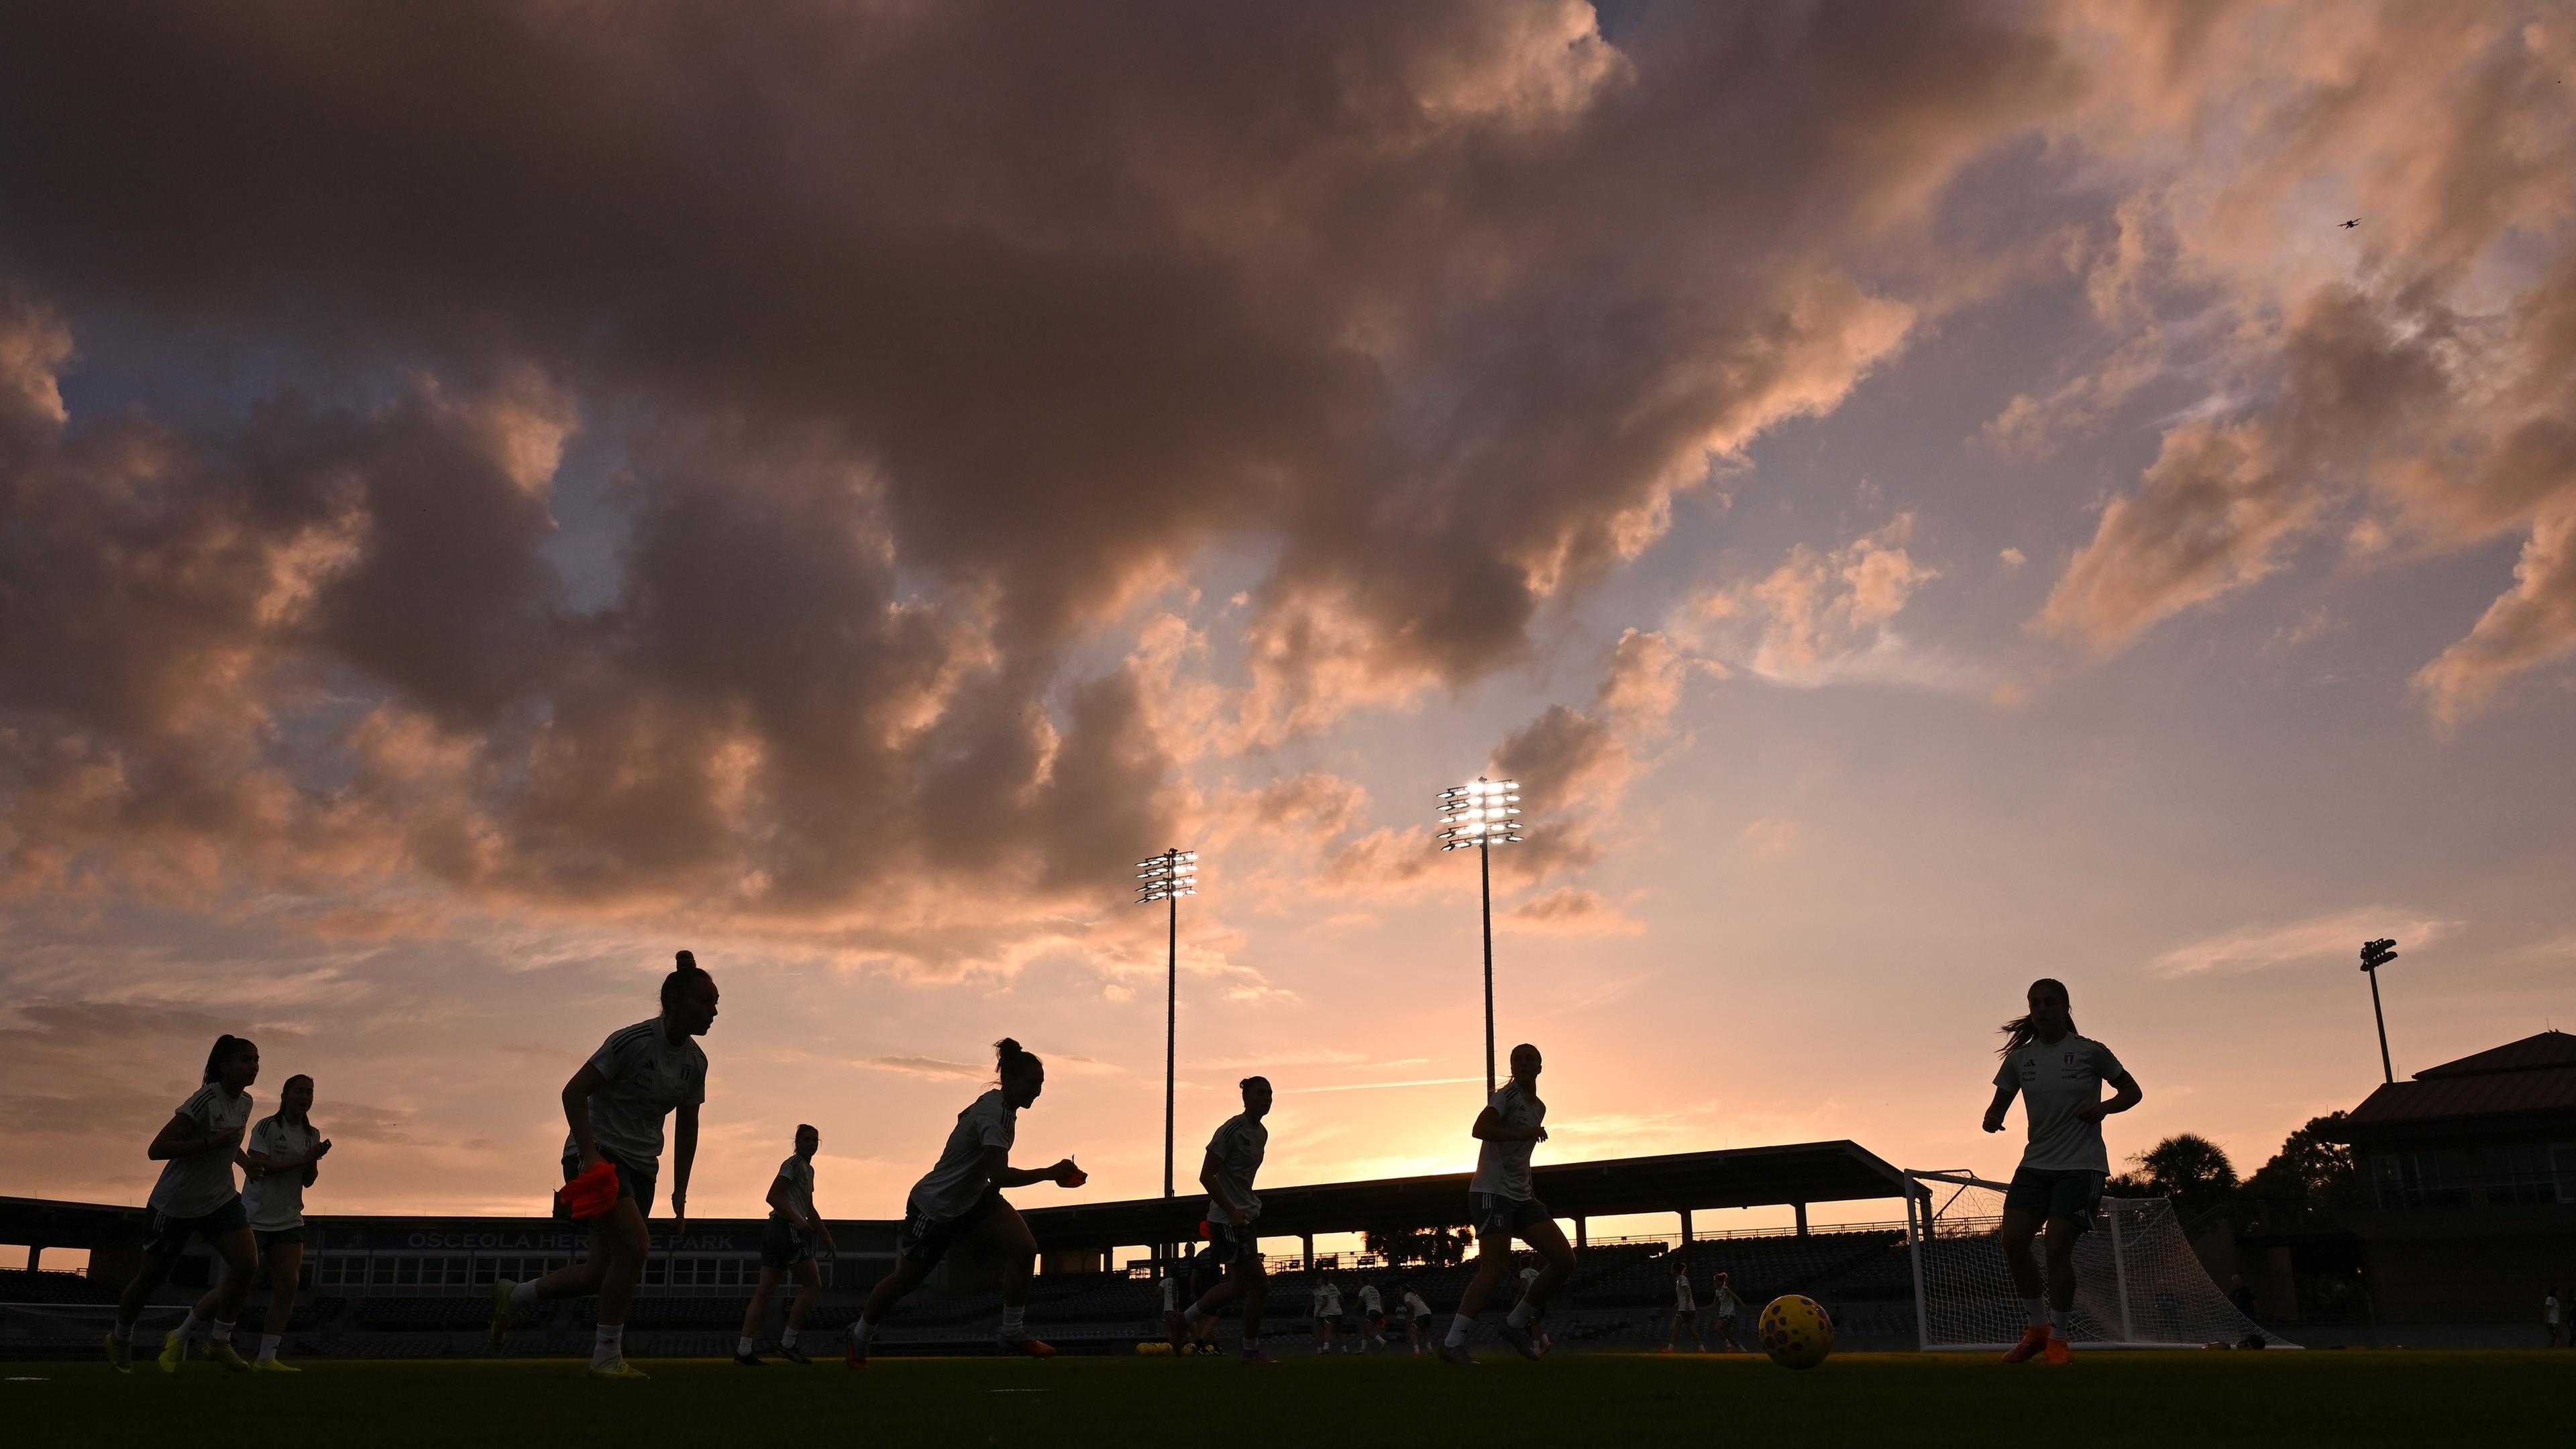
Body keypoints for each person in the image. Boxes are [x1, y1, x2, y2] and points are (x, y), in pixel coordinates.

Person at [488, 950, 718, 1380]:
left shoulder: (696, 1064)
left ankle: (514, 1297)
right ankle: (606, 1355)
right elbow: (573, 1093)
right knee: (636, 1247)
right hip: (598, 1156)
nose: (714, 1011)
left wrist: (680, 1193)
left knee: (600, 1272)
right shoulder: (631, 1042)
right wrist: (591, 1157)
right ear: (674, 1001)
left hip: (642, 1166)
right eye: (705, 1001)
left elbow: (688, 1129)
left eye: (716, 1002)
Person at [845, 1038, 1084, 1368]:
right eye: (1033, 1083)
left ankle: (1012, 1331)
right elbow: (999, 1176)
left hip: (972, 1197)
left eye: (1041, 1084)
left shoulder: (997, 1104)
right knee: (906, 1281)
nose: (1038, 1091)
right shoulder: (996, 1114)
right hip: (936, 1207)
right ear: (1011, 1080)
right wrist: (1049, 1173)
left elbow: (964, 1119)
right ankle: (859, 1335)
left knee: (1025, 1249)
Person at [1981, 977, 2142, 1367]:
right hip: (2035, 1165)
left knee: (2056, 1246)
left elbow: (2132, 1092)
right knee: (2014, 1242)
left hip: (2081, 1166)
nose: (2042, 1009)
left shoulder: (2091, 1052)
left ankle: (2060, 1337)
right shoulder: (2021, 1059)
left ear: (2066, 1007)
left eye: (2050, 1002)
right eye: (2035, 1003)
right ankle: (2036, 1331)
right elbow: (1999, 1103)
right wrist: (1992, 1117)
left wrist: (2104, 1108)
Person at [107, 1035, 262, 1374]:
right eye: (245, 1060)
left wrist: (245, 1162)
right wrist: (210, 1143)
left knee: (247, 1264)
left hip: (220, 1199)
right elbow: (157, 1148)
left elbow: (229, 1141)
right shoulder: (204, 1100)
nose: (253, 1066)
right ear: (224, 1066)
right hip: (174, 1204)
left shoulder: (246, 1102)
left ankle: (219, 1341)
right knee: (151, 1277)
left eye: (256, 1059)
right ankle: (120, 1337)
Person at [1440, 1043, 1576, 1364]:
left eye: (1530, 1059)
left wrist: (1530, 1190)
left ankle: (1515, 1324)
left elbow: (1521, 1159)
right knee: (1496, 1269)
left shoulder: (1540, 1107)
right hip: (1492, 1192)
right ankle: (1452, 1342)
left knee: (1565, 1260)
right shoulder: (1505, 1097)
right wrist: (1524, 1133)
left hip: (1521, 1196)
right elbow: (1480, 1129)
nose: (1524, 1063)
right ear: (1512, 1067)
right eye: (1518, 1059)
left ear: (1541, 1067)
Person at [1165, 1075, 1277, 1364]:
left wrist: (1245, 1210)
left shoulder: (1261, 1133)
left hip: (1244, 1217)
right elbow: (1206, 1176)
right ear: (1246, 1098)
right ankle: (1250, 1351)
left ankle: (1181, 1320)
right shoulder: (1230, 1131)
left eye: (1270, 1094)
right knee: (1260, 1286)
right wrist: (1232, 1210)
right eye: (1260, 1094)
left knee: (1239, 1287)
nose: (1267, 1099)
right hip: (1227, 1220)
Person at [240, 1073, 331, 1371]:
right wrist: (304, 1158)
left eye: (310, 1092)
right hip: (255, 1217)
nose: (305, 1097)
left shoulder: (312, 1133)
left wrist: (313, 1158)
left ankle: (267, 1358)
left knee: (289, 1285)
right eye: (299, 1091)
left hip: (290, 1218)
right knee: (237, 1284)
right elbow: (260, 1166)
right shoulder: (267, 1126)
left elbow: (309, 1181)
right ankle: (188, 1331)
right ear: (285, 1095)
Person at [737, 1124, 835, 1365]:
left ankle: (744, 1350)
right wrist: (797, 1220)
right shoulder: (793, 1164)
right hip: (784, 1228)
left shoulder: (807, 1170)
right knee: (813, 1285)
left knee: (765, 1292)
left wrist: (825, 1236)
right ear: (797, 1143)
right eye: (807, 1140)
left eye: (815, 1140)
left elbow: (809, 1207)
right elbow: (773, 1196)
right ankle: (788, 1344)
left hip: (779, 1229)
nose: (812, 1144)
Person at [1662, 1256, 1704, 1352]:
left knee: (1678, 1328)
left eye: (1672, 1269)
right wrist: (1678, 1304)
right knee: (1691, 1329)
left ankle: (1670, 1349)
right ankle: (1702, 1349)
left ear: (1675, 1270)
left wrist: (1686, 1306)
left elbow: (1688, 1292)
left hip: (1685, 1309)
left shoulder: (1682, 1279)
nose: (1671, 1271)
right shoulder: (1680, 1280)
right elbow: (1684, 1295)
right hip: (1686, 1308)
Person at [1705, 1269, 1744, 1352]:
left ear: (1720, 1282)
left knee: (1717, 1328)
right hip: (1722, 1314)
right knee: (1728, 1334)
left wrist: (1743, 1305)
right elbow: (1714, 1304)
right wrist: (1704, 1309)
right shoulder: (1717, 1292)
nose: (1714, 1283)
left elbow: (1735, 1297)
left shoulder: (1725, 1289)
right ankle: (1743, 1350)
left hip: (1729, 1314)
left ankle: (1729, 1347)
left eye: (1715, 1281)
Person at [1312, 1277, 1343, 1354]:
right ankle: (1320, 1350)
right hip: (1320, 1314)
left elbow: (1327, 1301)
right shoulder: (1315, 1291)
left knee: (1327, 1331)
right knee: (1320, 1332)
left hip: (1327, 1313)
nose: (1319, 1283)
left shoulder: (1326, 1289)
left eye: (1320, 1281)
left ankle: (1326, 1347)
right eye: (1318, 1281)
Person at [1401, 1285, 1434, 1354]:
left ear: (1404, 1290)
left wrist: (1410, 1318)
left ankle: (1417, 1351)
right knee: (1425, 1331)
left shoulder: (1407, 1295)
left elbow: (1411, 1306)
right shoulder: (1415, 1295)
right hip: (1428, 1313)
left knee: (1412, 1331)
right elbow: (1426, 1305)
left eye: (1401, 1290)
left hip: (1420, 1314)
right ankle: (1430, 1349)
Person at [1358, 1281, 1385, 1351]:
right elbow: (1381, 1300)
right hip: (1378, 1311)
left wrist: (1355, 1308)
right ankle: (1362, 1349)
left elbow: (1360, 1299)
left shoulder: (1364, 1289)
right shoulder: (1374, 1289)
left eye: (1360, 1282)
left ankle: (1382, 1341)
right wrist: (1382, 1312)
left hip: (1372, 1311)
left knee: (1367, 1329)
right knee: (1365, 1329)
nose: (1359, 1284)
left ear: (1363, 1282)